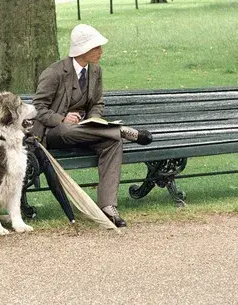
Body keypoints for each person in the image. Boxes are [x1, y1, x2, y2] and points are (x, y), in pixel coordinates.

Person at [31, 24, 153, 227]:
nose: (101, 51)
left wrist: (93, 120)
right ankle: (119, 130)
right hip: (55, 133)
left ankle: (107, 206)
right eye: (96, 47)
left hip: (85, 132)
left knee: (113, 142)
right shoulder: (54, 73)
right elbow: (38, 108)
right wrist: (61, 118)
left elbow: (97, 103)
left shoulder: (95, 70)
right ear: (82, 50)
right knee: (70, 129)